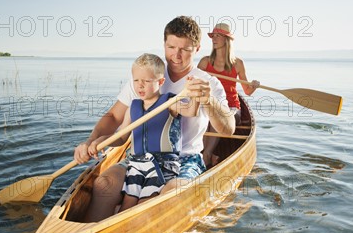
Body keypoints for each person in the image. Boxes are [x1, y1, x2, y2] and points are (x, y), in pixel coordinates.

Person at [74, 16, 234, 222]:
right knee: (104, 182)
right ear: (164, 44)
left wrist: (209, 100)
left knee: (172, 193)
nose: (176, 55)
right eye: (171, 47)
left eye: (184, 49)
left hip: (184, 159)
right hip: (141, 157)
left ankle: (132, 229)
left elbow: (228, 129)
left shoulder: (208, 82)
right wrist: (90, 142)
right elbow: (114, 116)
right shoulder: (146, 76)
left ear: (197, 48)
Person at [87, 53, 199, 212]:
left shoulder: (170, 102)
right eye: (136, 81)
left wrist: (194, 95)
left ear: (160, 82)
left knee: (144, 205)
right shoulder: (133, 107)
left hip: (163, 166)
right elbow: (121, 137)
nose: (140, 86)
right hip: (137, 164)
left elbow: (191, 110)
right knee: (128, 203)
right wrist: (100, 141)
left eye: (146, 81)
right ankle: (112, 224)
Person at [197, 22, 260, 167]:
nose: (214, 38)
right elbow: (194, 82)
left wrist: (254, 85)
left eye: (218, 36)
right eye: (213, 36)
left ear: (226, 39)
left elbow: (247, 91)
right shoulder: (205, 62)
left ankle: (206, 155)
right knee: (207, 115)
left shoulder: (237, 63)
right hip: (211, 103)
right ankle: (205, 154)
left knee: (219, 116)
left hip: (231, 107)